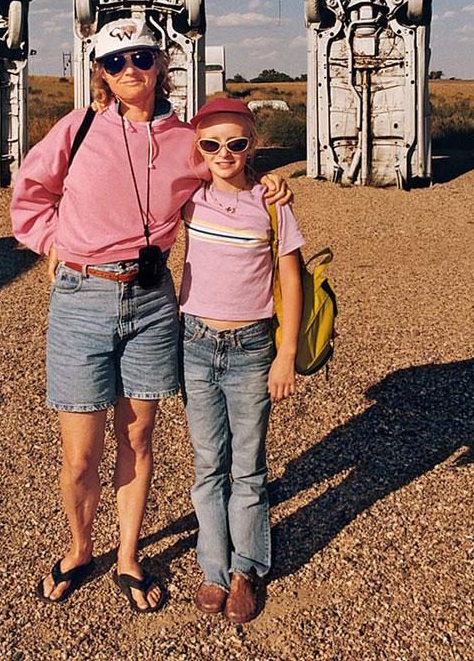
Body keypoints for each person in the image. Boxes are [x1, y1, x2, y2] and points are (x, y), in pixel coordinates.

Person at [11, 17, 291, 612]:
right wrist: (53, 245)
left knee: (138, 437)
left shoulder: (185, 137)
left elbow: (228, 165)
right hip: (81, 300)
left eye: (141, 57)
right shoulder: (79, 127)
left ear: (160, 63)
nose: (129, 71)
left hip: (153, 303)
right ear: (100, 73)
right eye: (115, 62)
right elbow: (30, 192)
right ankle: (80, 548)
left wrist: (269, 185)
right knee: (79, 453)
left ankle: (131, 555)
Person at [177, 96, 304, 625]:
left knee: (247, 468)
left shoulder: (273, 203)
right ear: (198, 148)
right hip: (194, 343)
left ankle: (245, 570)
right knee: (209, 465)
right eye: (211, 144)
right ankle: (212, 568)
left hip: (252, 347)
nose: (223, 153)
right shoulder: (186, 199)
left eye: (236, 143)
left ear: (253, 144)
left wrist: (287, 354)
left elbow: (292, 279)